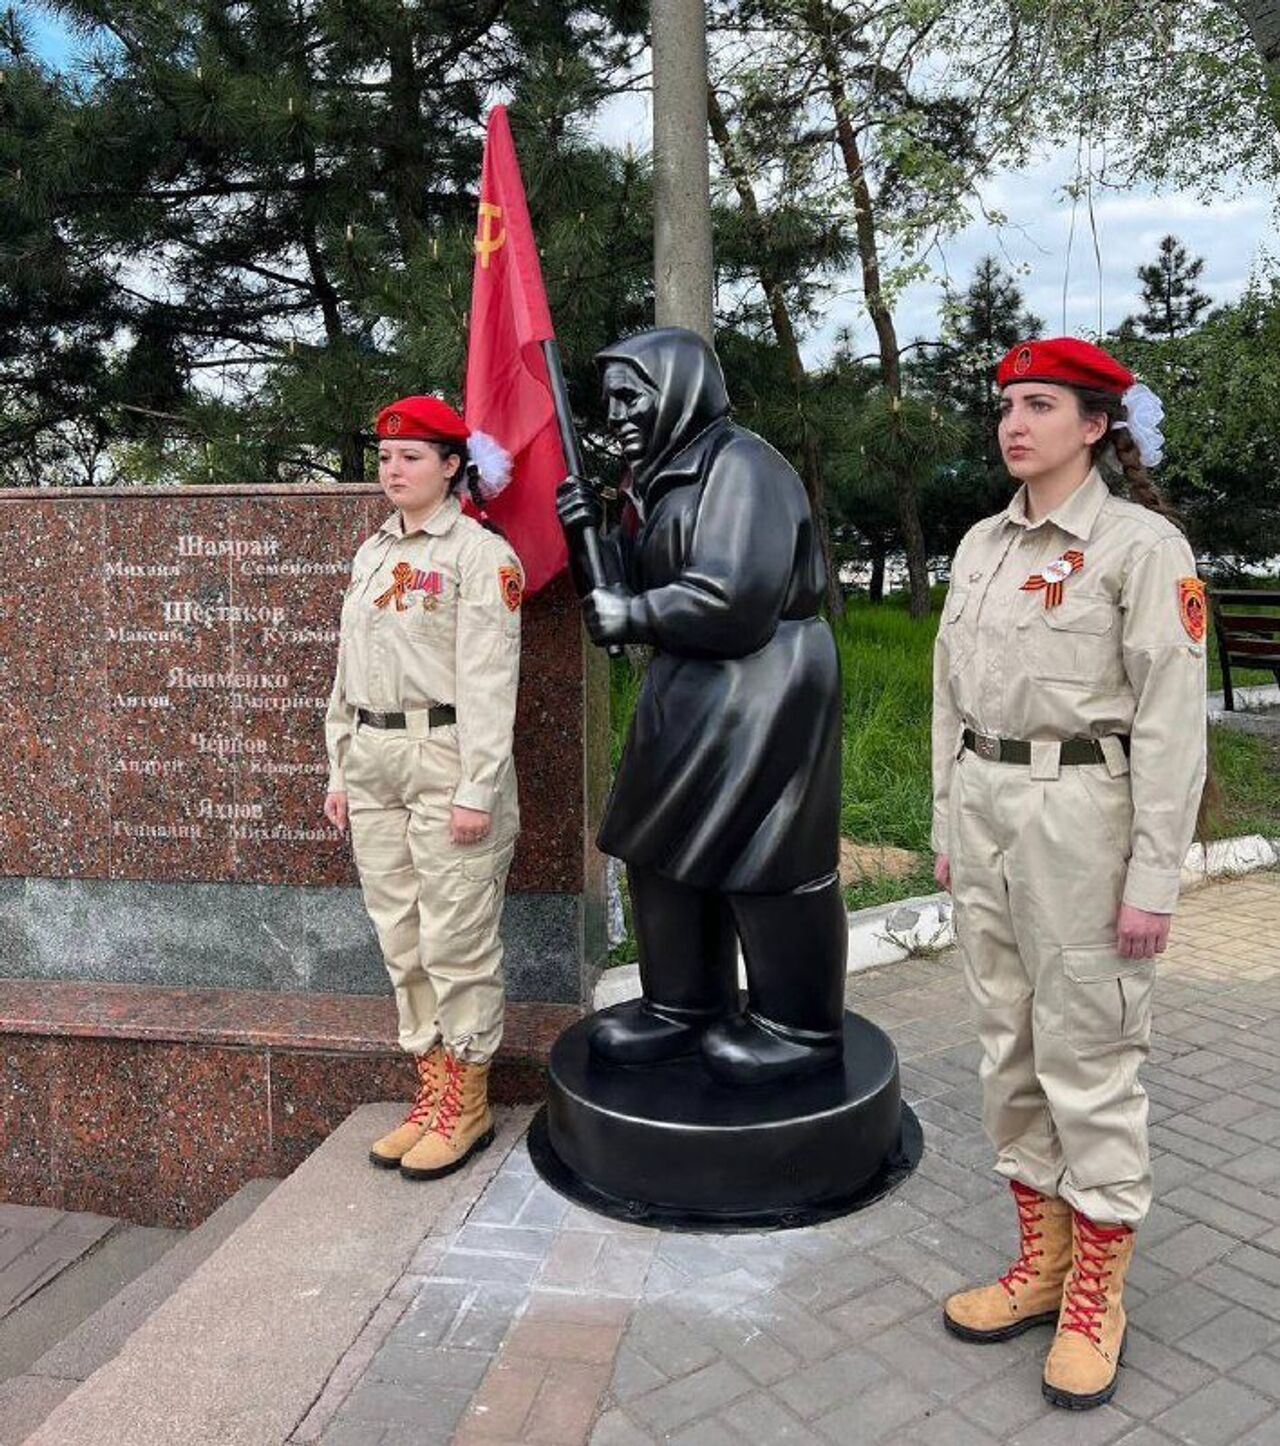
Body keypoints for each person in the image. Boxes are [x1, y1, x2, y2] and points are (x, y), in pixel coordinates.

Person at [931, 338, 1207, 1409]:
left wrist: (1152, 880)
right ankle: (1040, 1265)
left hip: (1083, 815)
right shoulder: (979, 545)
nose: (1013, 424)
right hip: (989, 811)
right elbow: (949, 706)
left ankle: (1098, 1293)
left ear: (1094, 426)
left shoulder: (1139, 549)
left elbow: (1171, 727)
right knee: (1008, 1046)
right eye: (1006, 406)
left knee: (1086, 1053)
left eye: (1039, 406)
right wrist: (949, 823)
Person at [556, 327, 847, 1086]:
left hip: (763, 687)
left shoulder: (740, 465)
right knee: (660, 846)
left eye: (632, 395)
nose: (616, 413)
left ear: (680, 386)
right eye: (609, 399)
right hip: (689, 686)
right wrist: (593, 537)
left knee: (765, 852)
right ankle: (683, 1004)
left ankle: (798, 1023)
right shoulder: (653, 477)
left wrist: (638, 615)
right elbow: (634, 587)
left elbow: (735, 597)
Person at [323, 394, 523, 1180]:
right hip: (374, 757)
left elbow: (489, 682)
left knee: (455, 937)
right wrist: (341, 768)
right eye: (383, 457)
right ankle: (432, 1088)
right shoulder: (371, 552)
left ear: (451, 465)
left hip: (445, 761)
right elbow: (347, 672)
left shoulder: (481, 557)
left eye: (410, 457)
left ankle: (467, 1103)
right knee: (401, 936)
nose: (393, 469)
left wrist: (479, 787)